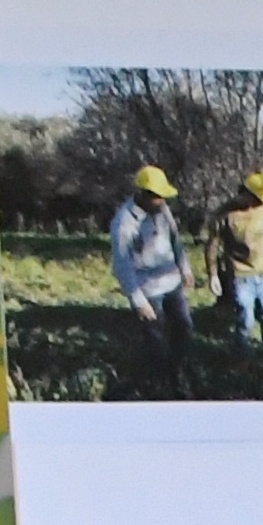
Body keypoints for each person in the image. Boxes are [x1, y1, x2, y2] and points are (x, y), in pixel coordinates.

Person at [108, 164, 190, 385]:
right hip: (148, 290)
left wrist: (185, 267)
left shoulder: (162, 209)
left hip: (172, 282)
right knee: (156, 340)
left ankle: (177, 370)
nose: (163, 201)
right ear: (143, 195)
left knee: (183, 328)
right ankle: (158, 383)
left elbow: (175, 238)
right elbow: (122, 265)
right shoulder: (123, 224)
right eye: (158, 197)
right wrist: (138, 301)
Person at [214, 172, 263, 355]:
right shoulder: (226, 214)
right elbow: (212, 244)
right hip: (239, 275)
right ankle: (242, 354)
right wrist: (212, 274)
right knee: (246, 318)